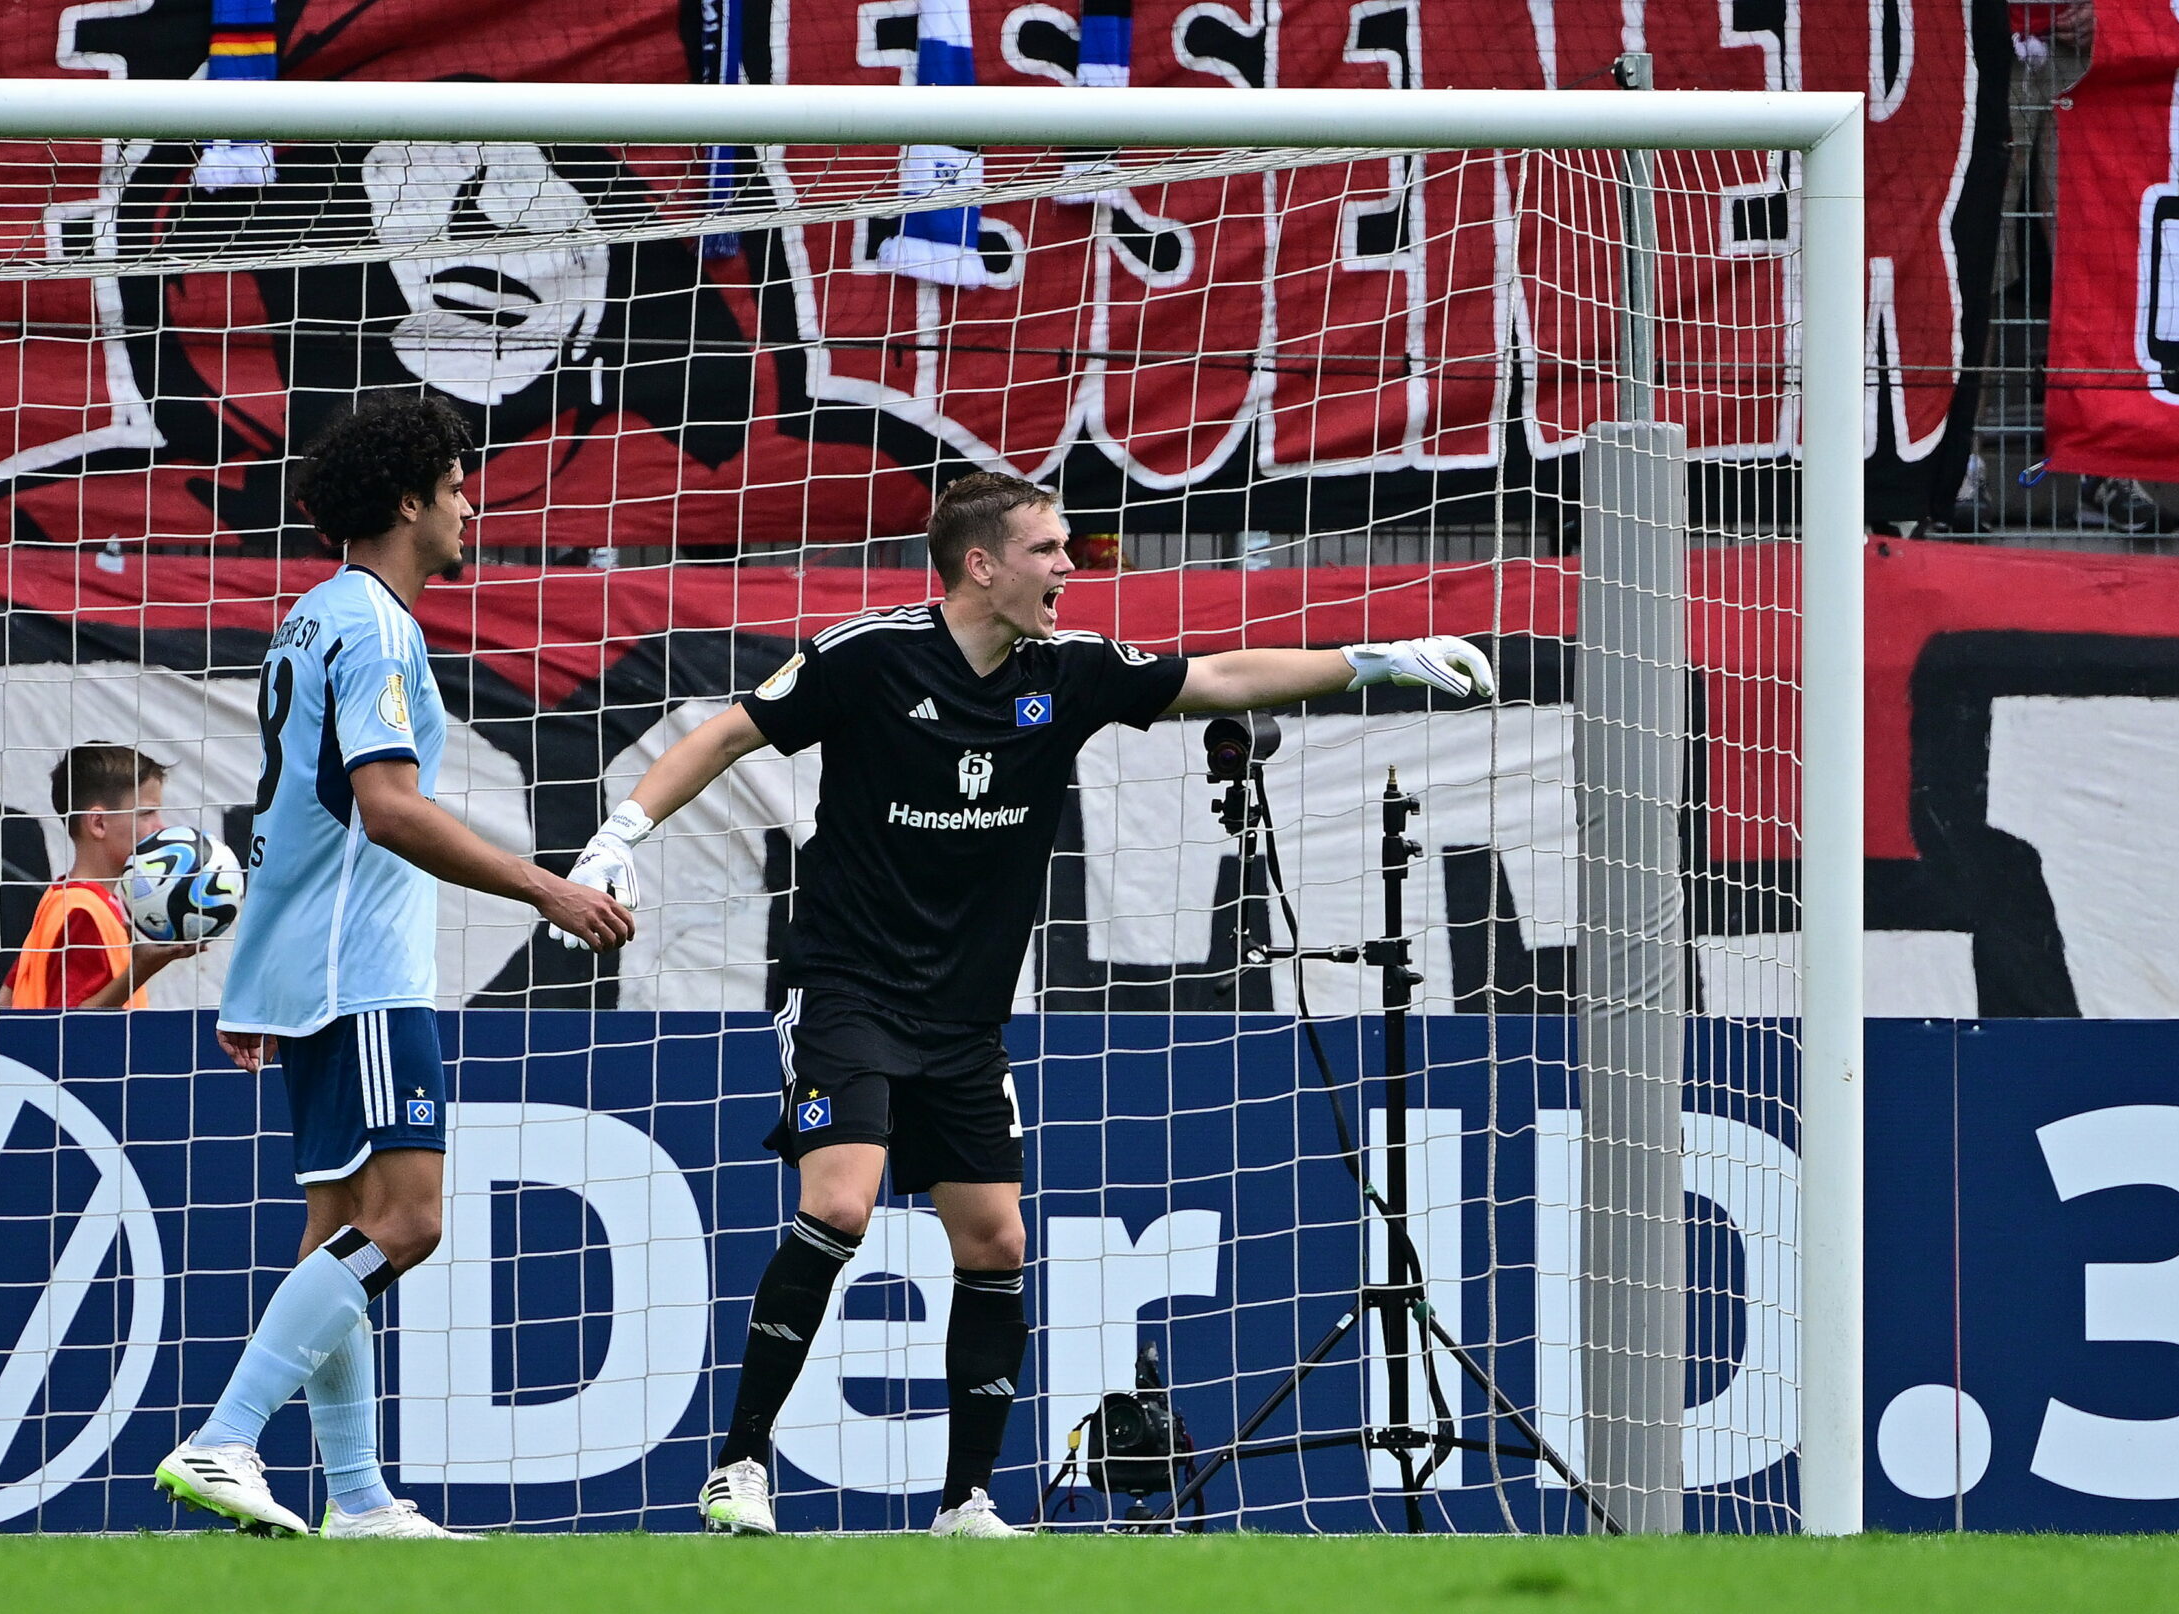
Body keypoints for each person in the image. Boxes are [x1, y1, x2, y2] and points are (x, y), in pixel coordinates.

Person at [560, 471, 1493, 1538]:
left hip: (964, 1018)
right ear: (981, 564)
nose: (1068, 570)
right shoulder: (868, 656)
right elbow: (726, 733)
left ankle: (964, 1501)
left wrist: (1380, 659)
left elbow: (1227, 674)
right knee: (840, 1204)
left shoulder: (1071, 672)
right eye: (1049, 550)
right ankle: (738, 1468)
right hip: (849, 988)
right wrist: (618, 840)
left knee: (996, 1241)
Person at [153, 395, 633, 1541]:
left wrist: (257, 978)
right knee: (408, 1222)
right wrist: (548, 887)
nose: (471, 505)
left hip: (308, 963)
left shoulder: (310, 617)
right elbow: (385, 810)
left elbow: (291, 812)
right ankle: (223, 1437)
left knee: (337, 1234)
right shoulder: (376, 625)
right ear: (410, 501)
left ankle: (359, 1496)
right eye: (459, 486)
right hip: (363, 968)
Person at [0, 744, 194, 1009]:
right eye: (147, 813)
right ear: (98, 824)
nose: (161, 826)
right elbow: (72, 1024)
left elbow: (4, 1000)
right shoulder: (83, 912)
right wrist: (142, 969)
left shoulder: (63, 899)